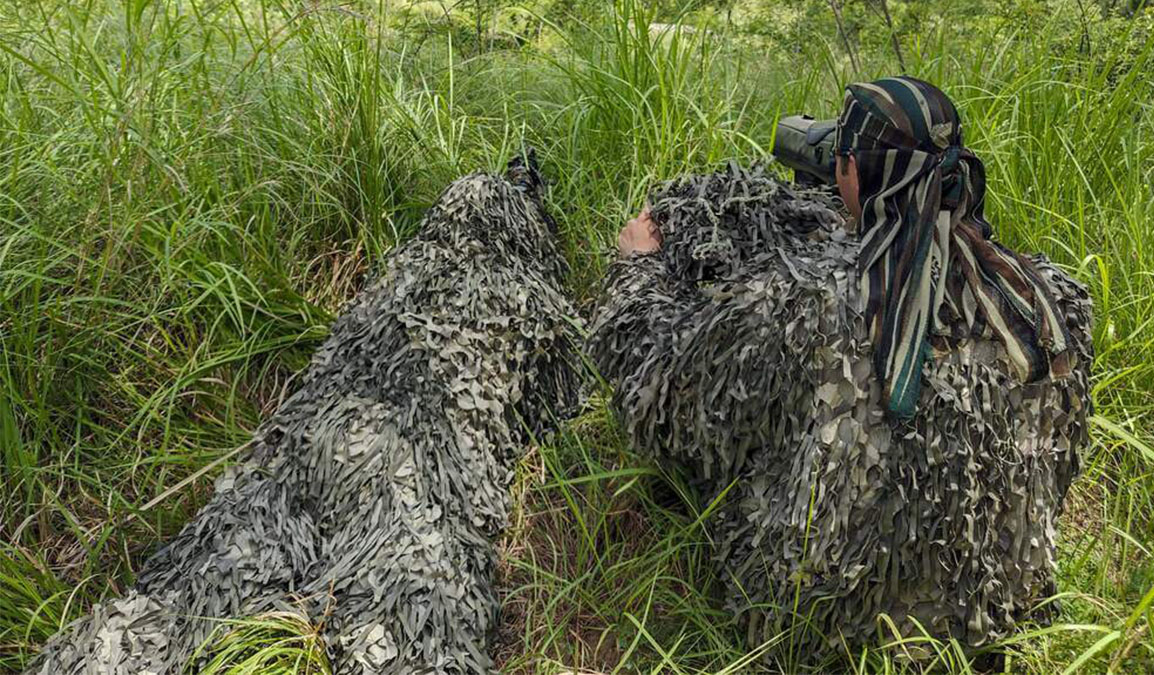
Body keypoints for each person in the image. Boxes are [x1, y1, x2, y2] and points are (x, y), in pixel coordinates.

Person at [589, 77, 1092, 661]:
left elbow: (659, 391)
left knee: (720, 452)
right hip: (996, 606)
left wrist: (637, 270)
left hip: (836, 627)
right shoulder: (1049, 306)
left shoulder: (811, 306)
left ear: (849, 171)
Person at [27, 153, 583, 674]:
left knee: (218, 567)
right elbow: (558, 406)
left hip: (311, 437)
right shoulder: (530, 297)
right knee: (415, 598)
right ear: (525, 236)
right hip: (413, 459)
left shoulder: (399, 270)